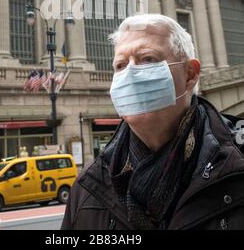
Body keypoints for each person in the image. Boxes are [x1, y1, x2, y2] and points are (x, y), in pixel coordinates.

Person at [62, 14, 244, 230]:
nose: (129, 73)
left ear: (190, 74)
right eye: (120, 65)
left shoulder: (236, 165)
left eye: (147, 59)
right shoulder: (87, 187)